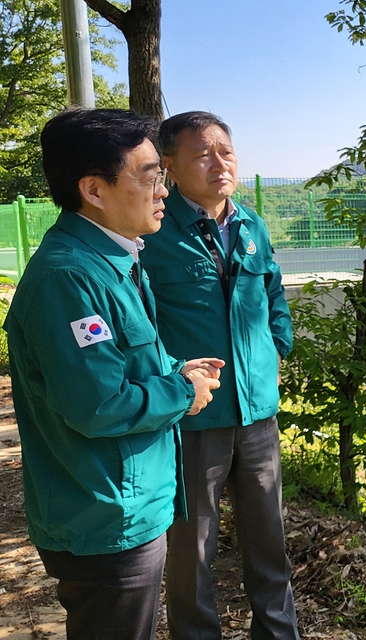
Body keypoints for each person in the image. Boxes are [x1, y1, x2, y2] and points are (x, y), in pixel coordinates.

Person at [4, 107, 224, 640]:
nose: (163, 192)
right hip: (105, 517)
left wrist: (175, 369)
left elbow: (124, 362)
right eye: (150, 177)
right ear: (94, 190)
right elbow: (98, 405)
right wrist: (183, 390)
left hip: (124, 505)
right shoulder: (70, 278)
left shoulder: (113, 260)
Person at [139, 111, 298, 640]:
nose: (218, 163)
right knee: (192, 551)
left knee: (269, 543)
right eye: (202, 154)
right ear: (170, 167)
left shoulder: (251, 224)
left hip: (257, 414)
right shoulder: (154, 233)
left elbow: (273, 290)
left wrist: (277, 344)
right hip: (194, 418)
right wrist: (171, 380)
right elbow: (138, 321)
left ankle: (278, 634)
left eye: (225, 151)